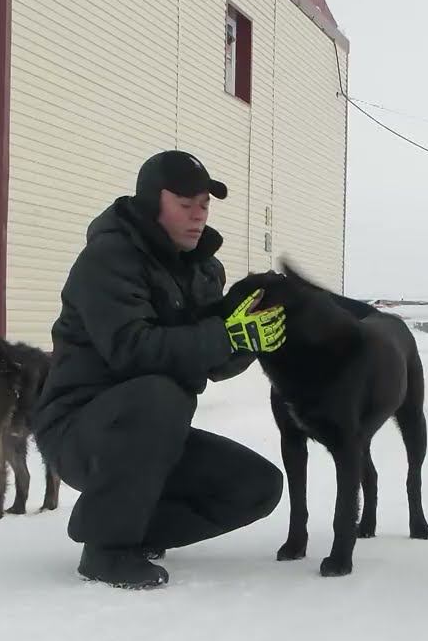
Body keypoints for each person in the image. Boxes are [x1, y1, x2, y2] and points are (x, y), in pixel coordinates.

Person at [34, 150, 287, 590]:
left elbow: (211, 362)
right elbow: (133, 349)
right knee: (160, 392)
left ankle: (134, 530)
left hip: (154, 435)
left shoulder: (203, 269)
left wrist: (250, 336)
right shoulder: (108, 259)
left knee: (257, 486)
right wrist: (225, 335)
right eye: (186, 205)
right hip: (81, 429)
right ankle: (106, 549)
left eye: (204, 206)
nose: (198, 216)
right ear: (154, 202)